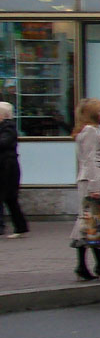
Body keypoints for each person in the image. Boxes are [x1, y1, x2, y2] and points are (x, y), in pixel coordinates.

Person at [70, 98, 100, 281]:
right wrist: (94, 186)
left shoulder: (85, 130)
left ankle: (86, 265)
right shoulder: (90, 131)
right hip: (94, 179)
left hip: (91, 179)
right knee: (93, 221)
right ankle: (98, 266)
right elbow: (89, 159)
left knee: (90, 222)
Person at [0, 101, 29, 238]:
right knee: (10, 199)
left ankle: (18, 227)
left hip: (7, 167)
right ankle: (20, 226)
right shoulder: (5, 127)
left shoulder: (8, 127)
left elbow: (4, 142)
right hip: (5, 165)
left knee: (9, 197)